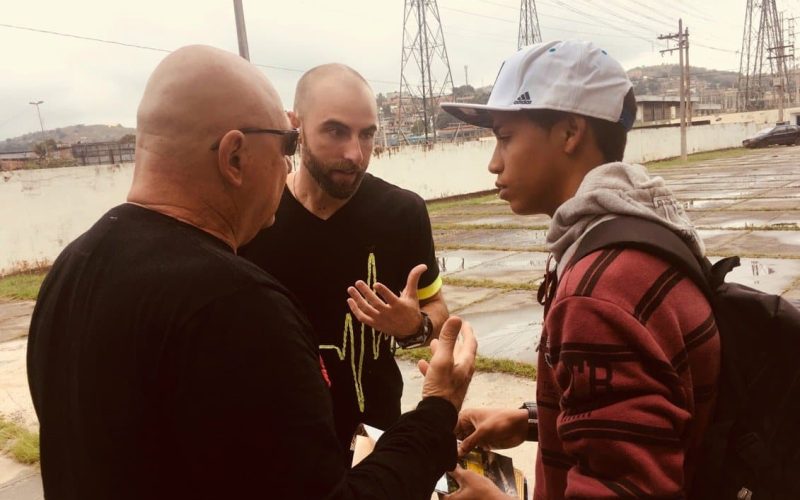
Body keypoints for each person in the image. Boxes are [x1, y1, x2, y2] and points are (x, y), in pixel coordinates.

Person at [27, 45, 476, 500]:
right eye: (285, 146)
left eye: (367, 135)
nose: (286, 164)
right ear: (234, 157)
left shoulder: (71, 269)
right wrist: (437, 409)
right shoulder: (235, 305)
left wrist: (415, 327)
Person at [438, 40, 721, 499]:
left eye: (505, 137)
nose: (493, 162)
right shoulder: (637, 232)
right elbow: (640, 418)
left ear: (570, 132)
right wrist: (534, 420)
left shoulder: (601, 289)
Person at [240, 63, 448, 449]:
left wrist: (413, 326)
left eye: (367, 134)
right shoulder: (251, 215)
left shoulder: (402, 213)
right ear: (295, 126)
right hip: (270, 446)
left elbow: (438, 311)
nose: (355, 153)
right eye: (336, 131)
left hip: (373, 444)